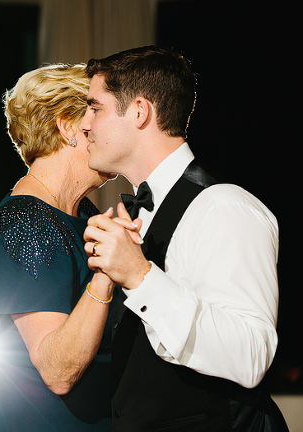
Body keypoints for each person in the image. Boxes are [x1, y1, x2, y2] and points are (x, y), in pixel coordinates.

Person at [80, 46, 287, 431]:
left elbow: (251, 355)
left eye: (96, 108)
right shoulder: (138, 212)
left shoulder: (224, 207)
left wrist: (140, 277)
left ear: (139, 112)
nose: (84, 125)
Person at [0, 63, 119, 431]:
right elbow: (57, 371)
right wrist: (105, 275)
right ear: (69, 126)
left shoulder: (82, 211)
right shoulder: (26, 223)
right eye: (100, 113)